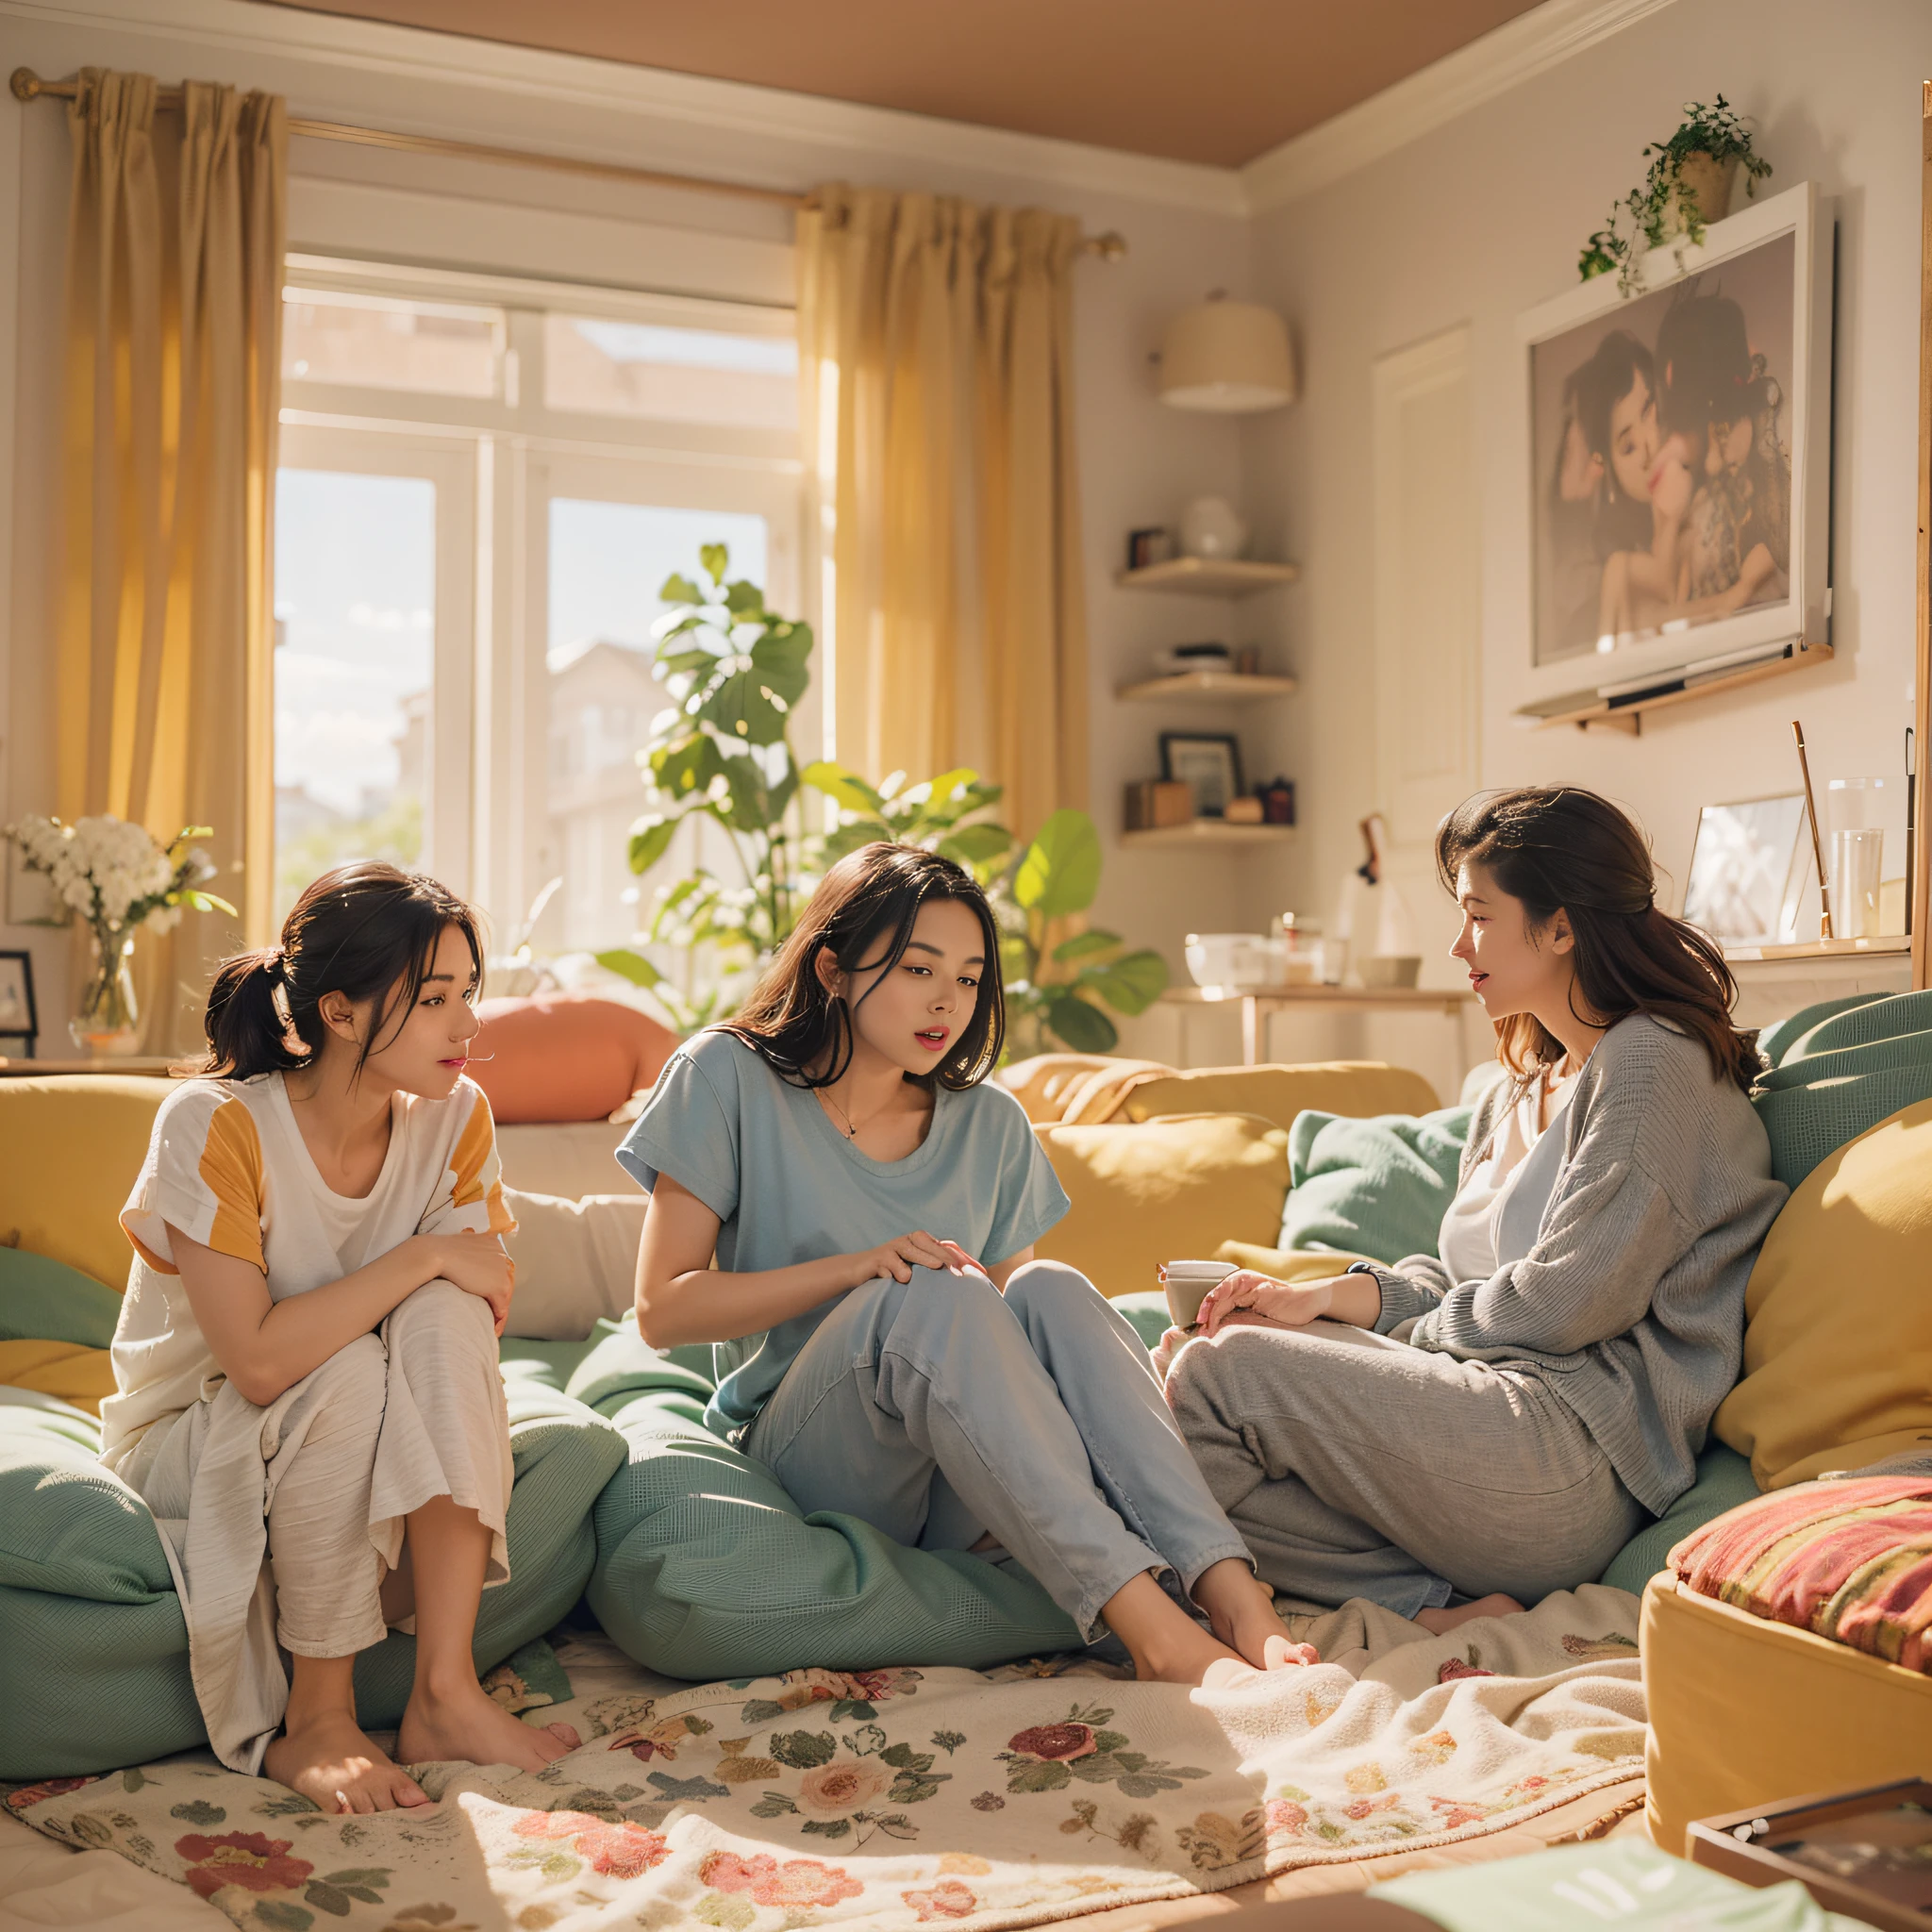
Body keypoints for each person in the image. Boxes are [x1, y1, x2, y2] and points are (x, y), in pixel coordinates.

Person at [623, 841, 1315, 1686]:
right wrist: (859, 1270)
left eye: (969, 977)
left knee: (1047, 1288)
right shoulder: (726, 1076)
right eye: (919, 969)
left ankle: (1237, 1599)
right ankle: (1156, 1634)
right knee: (934, 1291)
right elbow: (662, 1309)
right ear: (834, 969)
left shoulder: (990, 1123)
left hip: (957, 1481)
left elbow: (1013, 1336)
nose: (947, 1002)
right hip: (811, 1454)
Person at [1164, 788, 1786, 1631]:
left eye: (1480, 917)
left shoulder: (1651, 1063)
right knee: (1174, 1382)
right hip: (1480, 1411)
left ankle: (1381, 1596)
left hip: (1576, 1449)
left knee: (1222, 1371)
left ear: (1562, 927)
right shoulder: (1517, 1085)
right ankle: (1435, 1607)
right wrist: (1321, 1301)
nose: (1459, 946)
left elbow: (1567, 1302)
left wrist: (1362, 1338)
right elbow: (1454, 1278)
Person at [100, 861, 574, 1813]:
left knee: (435, 1318)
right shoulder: (214, 1123)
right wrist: (420, 1259)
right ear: (341, 1012)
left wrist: (437, 1271)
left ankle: (445, 1689)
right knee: (351, 1360)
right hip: (191, 1438)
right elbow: (262, 1360)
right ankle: (318, 1716)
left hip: (357, 1423)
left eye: (468, 992)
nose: (469, 1023)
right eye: (435, 997)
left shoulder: (456, 1117)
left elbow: (478, 1304)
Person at [1657, 291, 1791, 617]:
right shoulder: (1702, 503)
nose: (1720, 438)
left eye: (1726, 423)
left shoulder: (1768, 496)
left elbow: (1738, 597)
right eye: (1715, 427)